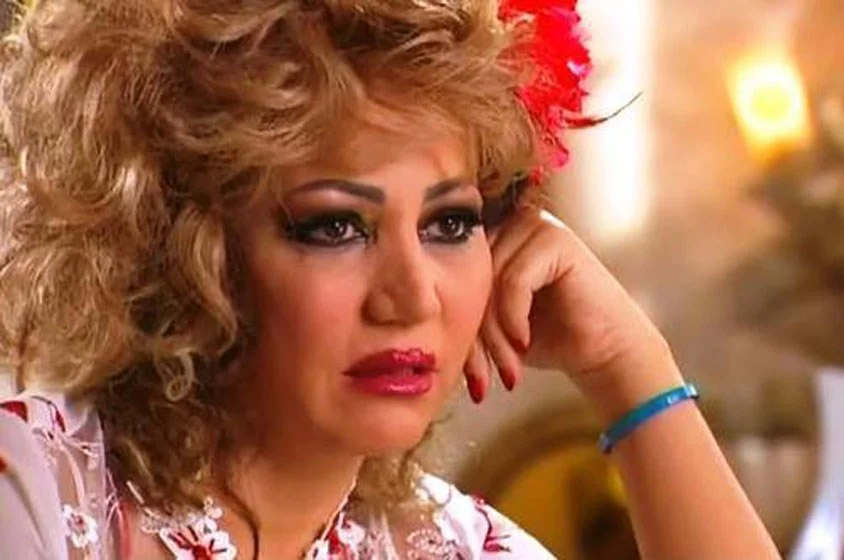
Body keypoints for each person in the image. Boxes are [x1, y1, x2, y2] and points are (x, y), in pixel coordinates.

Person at [0, 0, 779, 558]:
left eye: (450, 224)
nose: (411, 296)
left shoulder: (456, 547)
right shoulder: (31, 490)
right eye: (336, 227)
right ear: (188, 247)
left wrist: (630, 368)